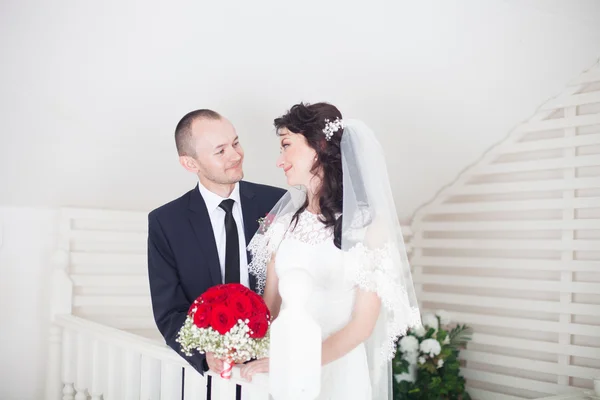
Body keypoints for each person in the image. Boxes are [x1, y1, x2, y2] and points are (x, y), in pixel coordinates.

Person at [239, 102, 422, 399]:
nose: (279, 160)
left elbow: (362, 325)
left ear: (320, 145)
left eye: (286, 145)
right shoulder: (282, 225)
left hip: (338, 372)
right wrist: (234, 347)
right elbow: (269, 309)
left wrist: (298, 363)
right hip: (282, 371)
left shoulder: (368, 228)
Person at [147, 109, 286, 398]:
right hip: (205, 380)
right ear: (189, 163)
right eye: (221, 151)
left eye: (235, 143)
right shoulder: (165, 222)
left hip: (273, 370)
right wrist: (205, 353)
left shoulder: (277, 203)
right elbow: (169, 312)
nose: (235, 155)